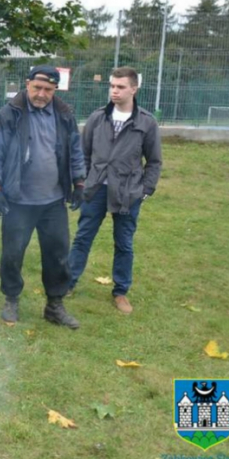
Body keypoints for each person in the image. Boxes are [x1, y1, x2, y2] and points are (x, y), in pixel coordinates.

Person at [0, 65, 86, 330]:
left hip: (53, 200)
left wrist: (79, 182)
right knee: (13, 253)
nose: (41, 94)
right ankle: (11, 299)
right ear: (27, 84)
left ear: (55, 90)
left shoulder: (64, 115)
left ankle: (54, 305)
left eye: (48, 90)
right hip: (18, 200)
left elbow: (75, 150)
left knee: (58, 254)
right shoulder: (9, 115)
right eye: (37, 88)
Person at [68, 66, 162, 314]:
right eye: (112, 86)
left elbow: (154, 161)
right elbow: (83, 154)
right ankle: (68, 282)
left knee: (124, 243)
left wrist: (145, 190)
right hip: (96, 189)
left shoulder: (147, 122)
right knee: (82, 238)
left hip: (128, 192)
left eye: (120, 87)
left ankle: (121, 291)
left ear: (134, 88)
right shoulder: (97, 117)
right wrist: (83, 181)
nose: (115, 91)